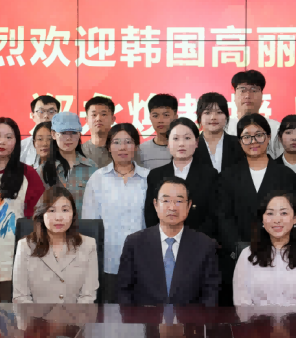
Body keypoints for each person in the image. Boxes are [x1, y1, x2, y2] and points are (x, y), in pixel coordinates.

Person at [216, 114, 296, 306]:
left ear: (268, 137)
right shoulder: (227, 176)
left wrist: (275, 248)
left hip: (278, 255)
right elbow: (223, 216)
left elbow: (293, 213)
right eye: (247, 136)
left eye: (259, 135)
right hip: (237, 255)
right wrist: (239, 249)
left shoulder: (285, 175)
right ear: (240, 141)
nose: (253, 141)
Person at [118, 177, 221, 306]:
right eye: (166, 200)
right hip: (145, 318)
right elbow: (124, 291)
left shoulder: (205, 245)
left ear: (189, 206)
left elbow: (210, 295)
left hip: (190, 318)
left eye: (179, 201)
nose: (172, 207)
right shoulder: (134, 243)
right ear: (155, 204)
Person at [0, 118, 45, 303]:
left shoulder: (28, 174)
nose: (2, 142)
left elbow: (38, 219)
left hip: (15, 264)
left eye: (9, 137)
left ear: (16, 142)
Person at [82, 123, 149, 304]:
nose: (123, 147)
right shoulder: (98, 179)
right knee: (110, 314)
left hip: (144, 260)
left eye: (128, 142)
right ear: (109, 147)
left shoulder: (149, 178)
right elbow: (90, 224)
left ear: (136, 146)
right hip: (108, 261)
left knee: (142, 315)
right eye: (116, 142)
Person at [233, 192, 296, 306]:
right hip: (257, 318)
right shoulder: (247, 255)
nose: (277, 220)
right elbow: (242, 303)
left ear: (295, 218)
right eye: (270, 213)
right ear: (262, 219)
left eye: (284, 213)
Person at [12, 186, 99, 304]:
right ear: (41, 214)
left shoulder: (88, 245)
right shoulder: (25, 246)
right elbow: (21, 298)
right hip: (35, 316)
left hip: (77, 315)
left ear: (73, 214)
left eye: (65, 210)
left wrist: (73, 317)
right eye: (52, 211)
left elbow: (87, 297)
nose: (59, 218)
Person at [144, 118, 219, 236]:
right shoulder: (156, 175)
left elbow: (214, 215)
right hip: (163, 241)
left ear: (196, 142)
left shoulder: (210, 175)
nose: (181, 144)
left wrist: (196, 240)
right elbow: (150, 214)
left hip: (199, 240)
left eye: (187, 138)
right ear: (168, 143)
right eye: (175, 138)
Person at [38, 112, 97, 214]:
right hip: (53, 223)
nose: (69, 138)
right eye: (63, 133)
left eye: (73, 133)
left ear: (79, 134)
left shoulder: (92, 168)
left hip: (83, 223)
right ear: (53, 134)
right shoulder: (43, 170)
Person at [225, 71, 283, 159]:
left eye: (254, 90)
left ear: (262, 95)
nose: (248, 95)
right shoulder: (224, 127)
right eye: (242, 90)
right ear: (234, 95)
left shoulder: (276, 127)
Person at [81, 96, 144, 169]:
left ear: (112, 119)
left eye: (103, 114)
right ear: (86, 120)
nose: (98, 119)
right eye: (94, 115)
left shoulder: (126, 150)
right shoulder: (79, 151)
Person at [193, 92, 245, 173]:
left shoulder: (239, 143)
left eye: (219, 112)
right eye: (207, 113)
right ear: (199, 117)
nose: (213, 117)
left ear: (226, 117)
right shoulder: (191, 146)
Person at [139, 94, 177, 170]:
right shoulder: (141, 150)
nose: (160, 120)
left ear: (176, 117)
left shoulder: (184, 148)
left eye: (166, 115)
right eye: (155, 116)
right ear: (150, 117)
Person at [19, 95, 60, 165]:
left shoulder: (65, 144)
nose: (46, 116)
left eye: (51, 111)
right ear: (33, 116)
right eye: (41, 111)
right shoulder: (22, 146)